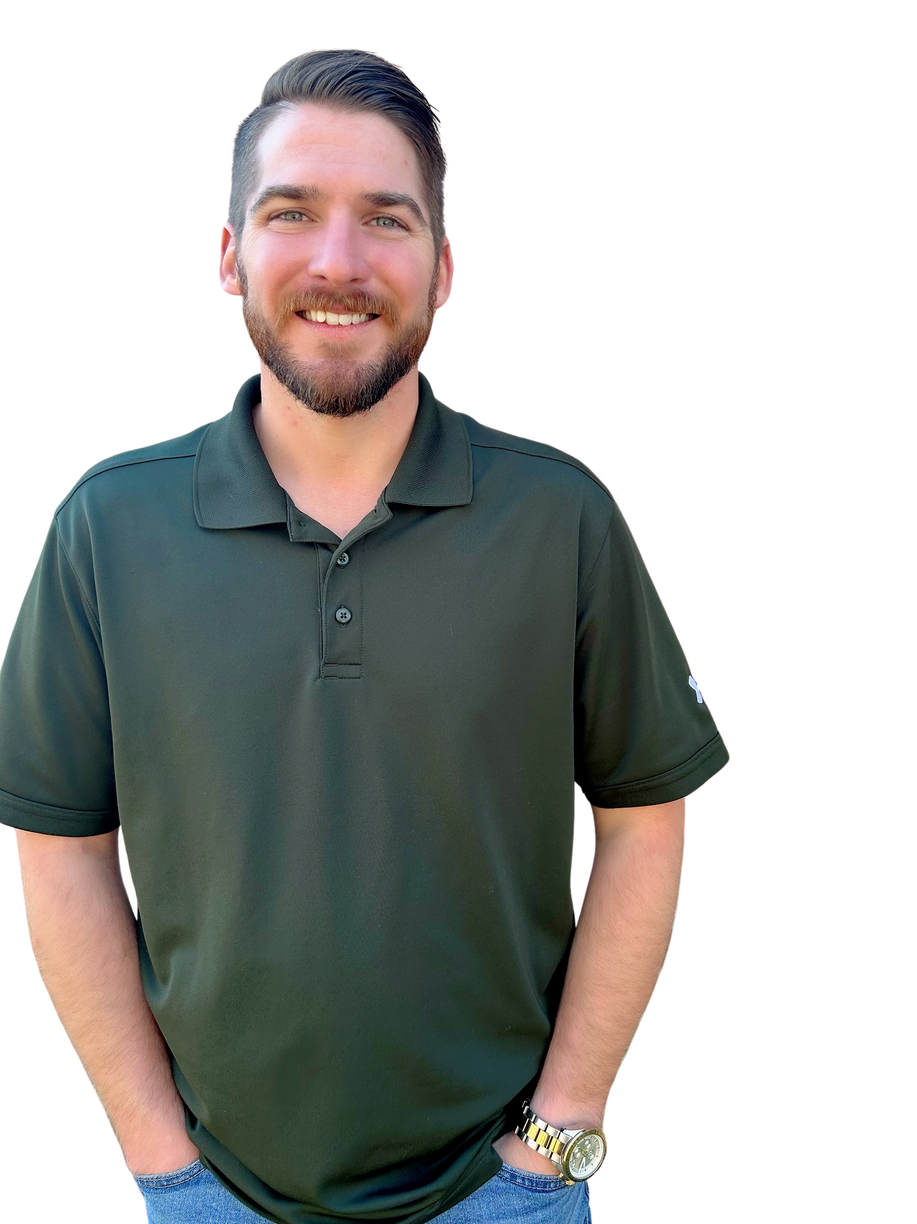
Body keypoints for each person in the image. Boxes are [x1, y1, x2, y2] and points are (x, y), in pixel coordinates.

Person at [0, 48, 730, 1224]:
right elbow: (59, 847)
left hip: (501, 1193)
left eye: (387, 220)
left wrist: (553, 1141)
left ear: (442, 267)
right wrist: (162, 1166)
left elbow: (645, 823)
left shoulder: (558, 520)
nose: (338, 262)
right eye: (291, 212)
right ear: (229, 255)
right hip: (215, 1197)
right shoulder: (107, 529)